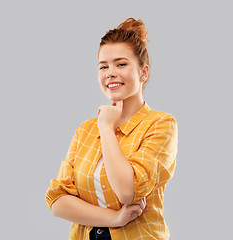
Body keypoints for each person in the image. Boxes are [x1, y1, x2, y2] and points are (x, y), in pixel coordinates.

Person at [45, 17, 178, 240]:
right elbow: (57, 201)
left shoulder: (160, 124)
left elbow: (127, 191)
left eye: (121, 64)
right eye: (103, 66)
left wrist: (107, 128)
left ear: (143, 72)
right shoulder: (86, 130)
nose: (110, 72)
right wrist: (114, 219)